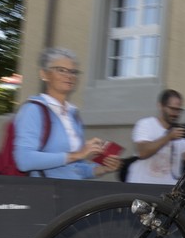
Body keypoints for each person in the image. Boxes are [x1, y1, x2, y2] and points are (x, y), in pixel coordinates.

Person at [13, 47, 121, 179]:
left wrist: (103, 168)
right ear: (44, 74)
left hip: (71, 192)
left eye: (73, 72)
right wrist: (78, 154)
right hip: (44, 193)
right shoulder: (33, 110)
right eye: (61, 70)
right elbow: (24, 161)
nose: (69, 76)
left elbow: (75, 169)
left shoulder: (72, 114)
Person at [125, 89, 185, 185]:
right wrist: (168, 137)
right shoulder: (146, 124)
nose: (176, 113)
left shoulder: (179, 131)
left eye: (179, 110)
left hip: (167, 192)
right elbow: (142, 152)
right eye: (172, 109)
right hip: (141, 187)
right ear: (160, 106)